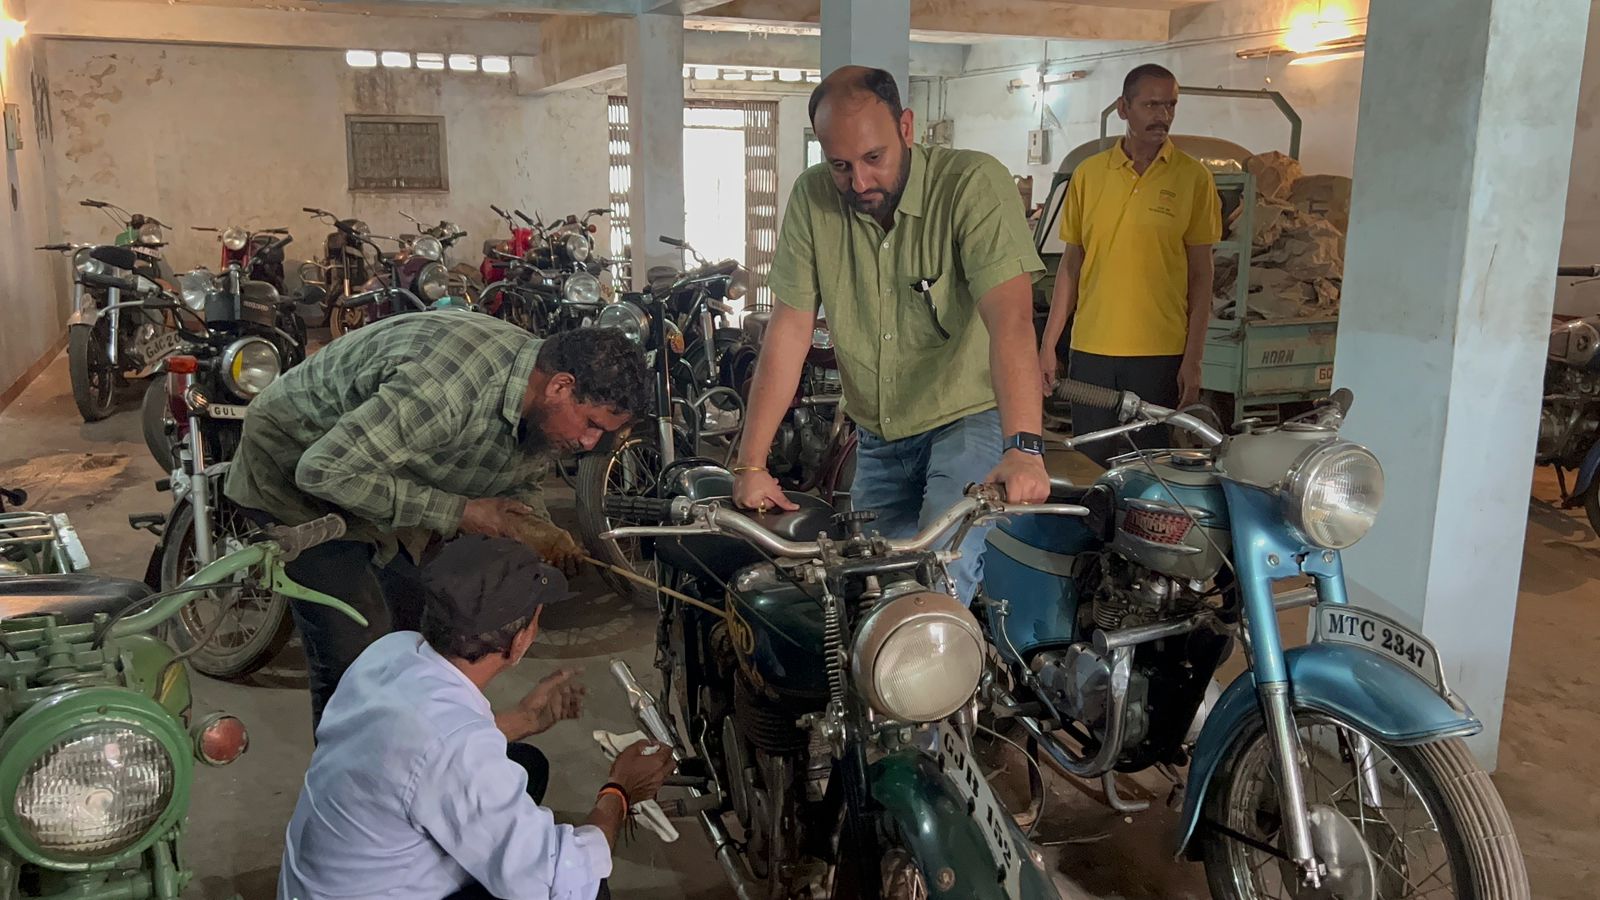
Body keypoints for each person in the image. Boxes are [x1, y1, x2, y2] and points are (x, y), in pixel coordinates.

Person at [224, 312, 650, 727]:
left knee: (423, 626)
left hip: (386, 468)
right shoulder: (446, 391)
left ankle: (419, 754)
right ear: (560, 386)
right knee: (355, 644)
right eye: (591, 424)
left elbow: (518, 478)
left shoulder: (541, 406)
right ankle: (357, 777)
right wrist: (461, 512)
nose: (588, 441)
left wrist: (536, 527)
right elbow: (324, 472)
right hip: (299, 468)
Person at [732, 65, 1049, 603]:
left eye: (873, 158)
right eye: (840, 165)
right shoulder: (813, 199)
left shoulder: (972, 185)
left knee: (937, 581)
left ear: (906, 127)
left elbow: (1011, 320)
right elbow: (789, 329)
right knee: (869, 597)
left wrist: (1024, 447)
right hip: (878, 438)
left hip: (965, 421)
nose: (859, 183)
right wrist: (751, 463)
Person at [278, 535, 676, 900]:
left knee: (525, 763)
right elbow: (559, 876)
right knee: (584, 890)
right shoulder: (454, 742)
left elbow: (416, 756)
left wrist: (522, 718)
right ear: (521, 639)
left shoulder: (391, 652)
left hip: (323, 883)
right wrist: (619, 791)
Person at [1036, 63, 1221, 467]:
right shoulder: (1089, 175)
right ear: (1123, 107)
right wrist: (1049, 345)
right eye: (1151, 104)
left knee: (1152, 469)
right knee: (1090, 466)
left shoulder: (1193, 179)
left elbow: (1201, 277)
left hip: (1159, 354)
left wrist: (1194, 358)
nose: (1163, 115)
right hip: (1092, 351)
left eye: (1170, 105)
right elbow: (1071, 265)